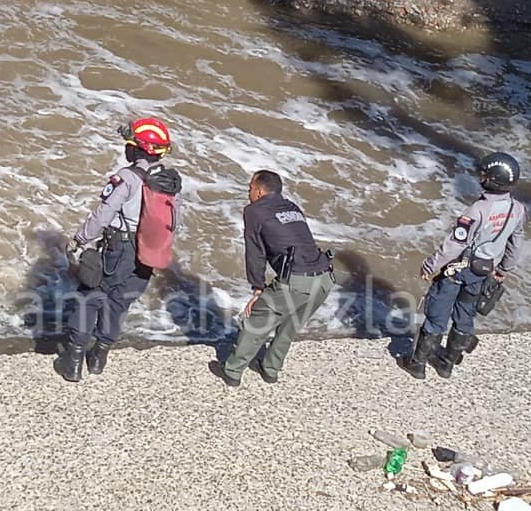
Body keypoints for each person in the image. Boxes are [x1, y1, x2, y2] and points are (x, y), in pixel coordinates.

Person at [55, 118, 181, 382]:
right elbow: (174, 223)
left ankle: (74, 361)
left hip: (119, 248)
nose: (126, 148)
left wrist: (80, 239)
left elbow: (103, 215)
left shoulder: (127, 178)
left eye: (129, 144)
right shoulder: (170, 182)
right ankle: (99, 357)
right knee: (121, 301)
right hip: (147, 252)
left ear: (137, 149)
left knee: (90, 296)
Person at [400, 152, 527, 380]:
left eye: (484, 173)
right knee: (465, 314)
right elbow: (515, 243)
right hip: (484, 271)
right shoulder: (517, 209)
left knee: (437, 314)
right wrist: (503, 269)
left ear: (490, 179)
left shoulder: (477, 210)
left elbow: (454, 245)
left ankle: (417, 364)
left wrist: (431, 264)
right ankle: (447, 364)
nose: (481, 175)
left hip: (457, 270)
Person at [209, 170, 334, 387]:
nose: (248, 192)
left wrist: (258, 289)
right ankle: (270, 370)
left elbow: (255, 253)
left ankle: (232, 371)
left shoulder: (254, 211)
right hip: (325, 278)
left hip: (297, 281)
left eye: (250, 188)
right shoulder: (293, 208)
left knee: (256, 321)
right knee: (290, 325)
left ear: (258, 191)